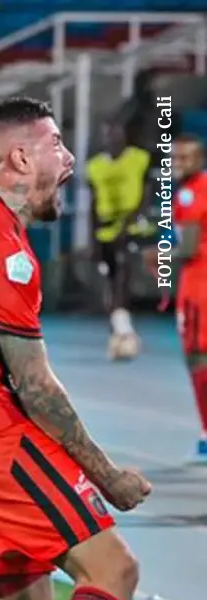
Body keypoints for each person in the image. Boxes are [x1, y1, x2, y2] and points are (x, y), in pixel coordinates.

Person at [0, 97, 148, 600]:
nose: (70, 159)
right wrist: (107, 477)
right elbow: (35, 385)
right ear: (19, 158)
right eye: (56, 144)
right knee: (113, 571)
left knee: (28, 590)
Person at [86, 122, 154, 360]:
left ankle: (124, 330)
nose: (114, 139)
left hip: (133, 227)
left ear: (125, 136)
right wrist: (93, 240)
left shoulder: (139, 159)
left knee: (123, 275)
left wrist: (128, 223)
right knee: (110, 281)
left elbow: (146, 195)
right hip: (106, 231)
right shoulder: (95, 167)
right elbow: (93, 205)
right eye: (109, 135)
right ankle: (119, 330)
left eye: (118, 134)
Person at [172, 134, 207, 460]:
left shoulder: (191, 193)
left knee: (197, 357)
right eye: (174, 159)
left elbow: (189, 246)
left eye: (184, 159)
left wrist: (157, 255)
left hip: (199, 286)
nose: (177, 165)